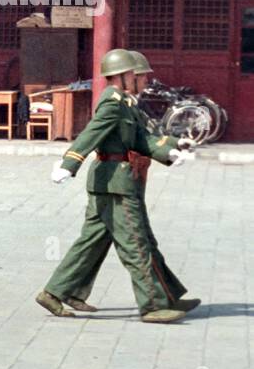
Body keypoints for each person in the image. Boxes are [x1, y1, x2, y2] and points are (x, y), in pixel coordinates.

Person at [38, 48, 194, 323]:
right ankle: (154, 305)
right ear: (125, 76)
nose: (145, 81)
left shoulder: (126, 103)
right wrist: (69, 163)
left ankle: (58, 292)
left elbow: (140, 137)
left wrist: (171, 147)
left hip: (113, 183)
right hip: (116, 185)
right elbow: (91, 133)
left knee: (92, 243)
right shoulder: (112, 103)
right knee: (137, 243)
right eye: (141, 76)